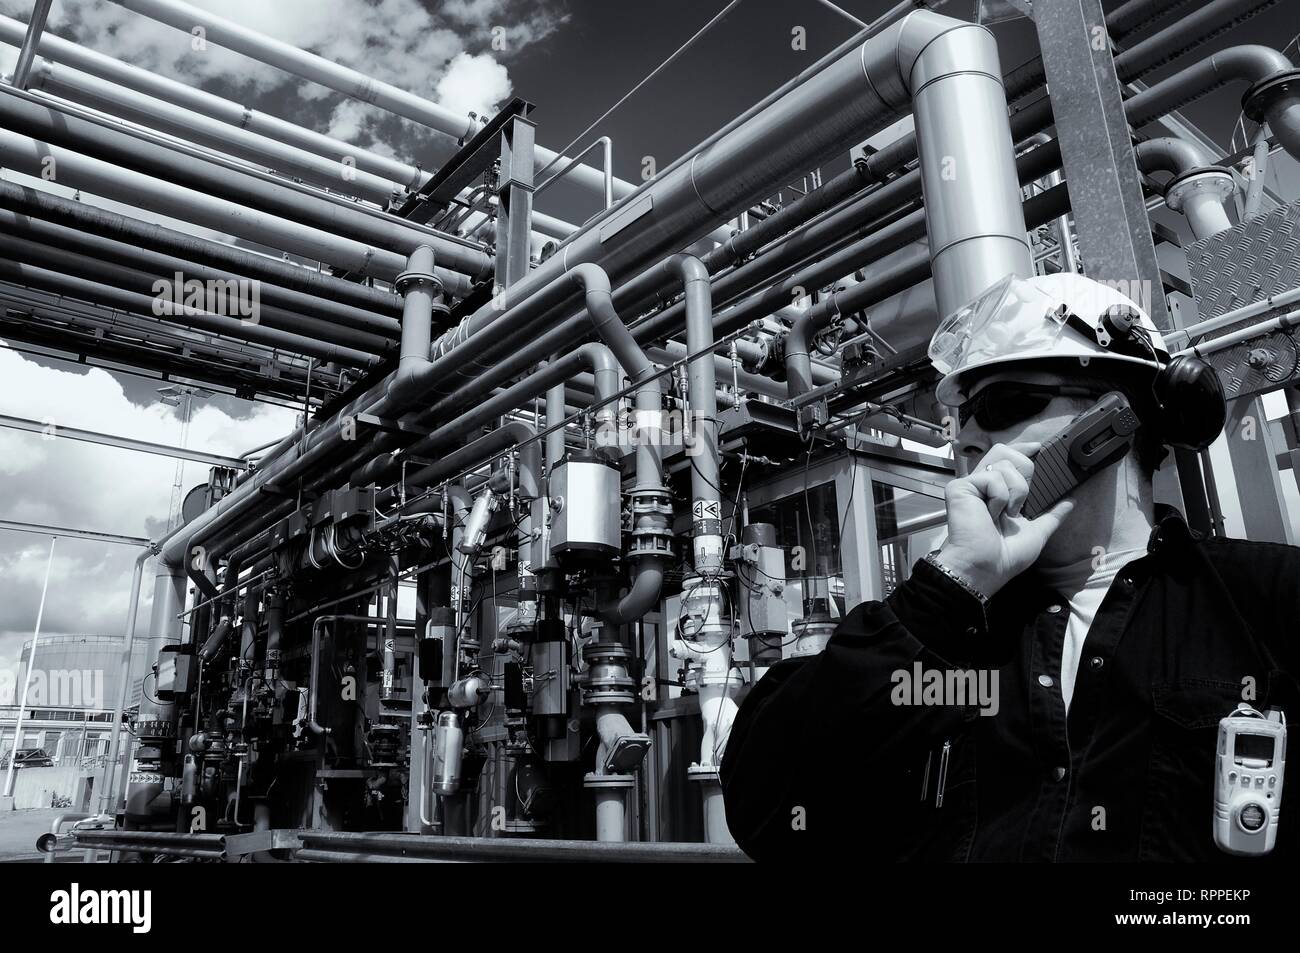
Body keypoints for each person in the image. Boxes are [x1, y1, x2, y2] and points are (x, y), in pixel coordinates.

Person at [720, 272, 1299, 862]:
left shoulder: (1267, 602)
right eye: (962, 414)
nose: (966, 435)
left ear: (1111, 420)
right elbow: (767, 813)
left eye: (1003, 403)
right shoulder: (948, 633)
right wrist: (947, 592)